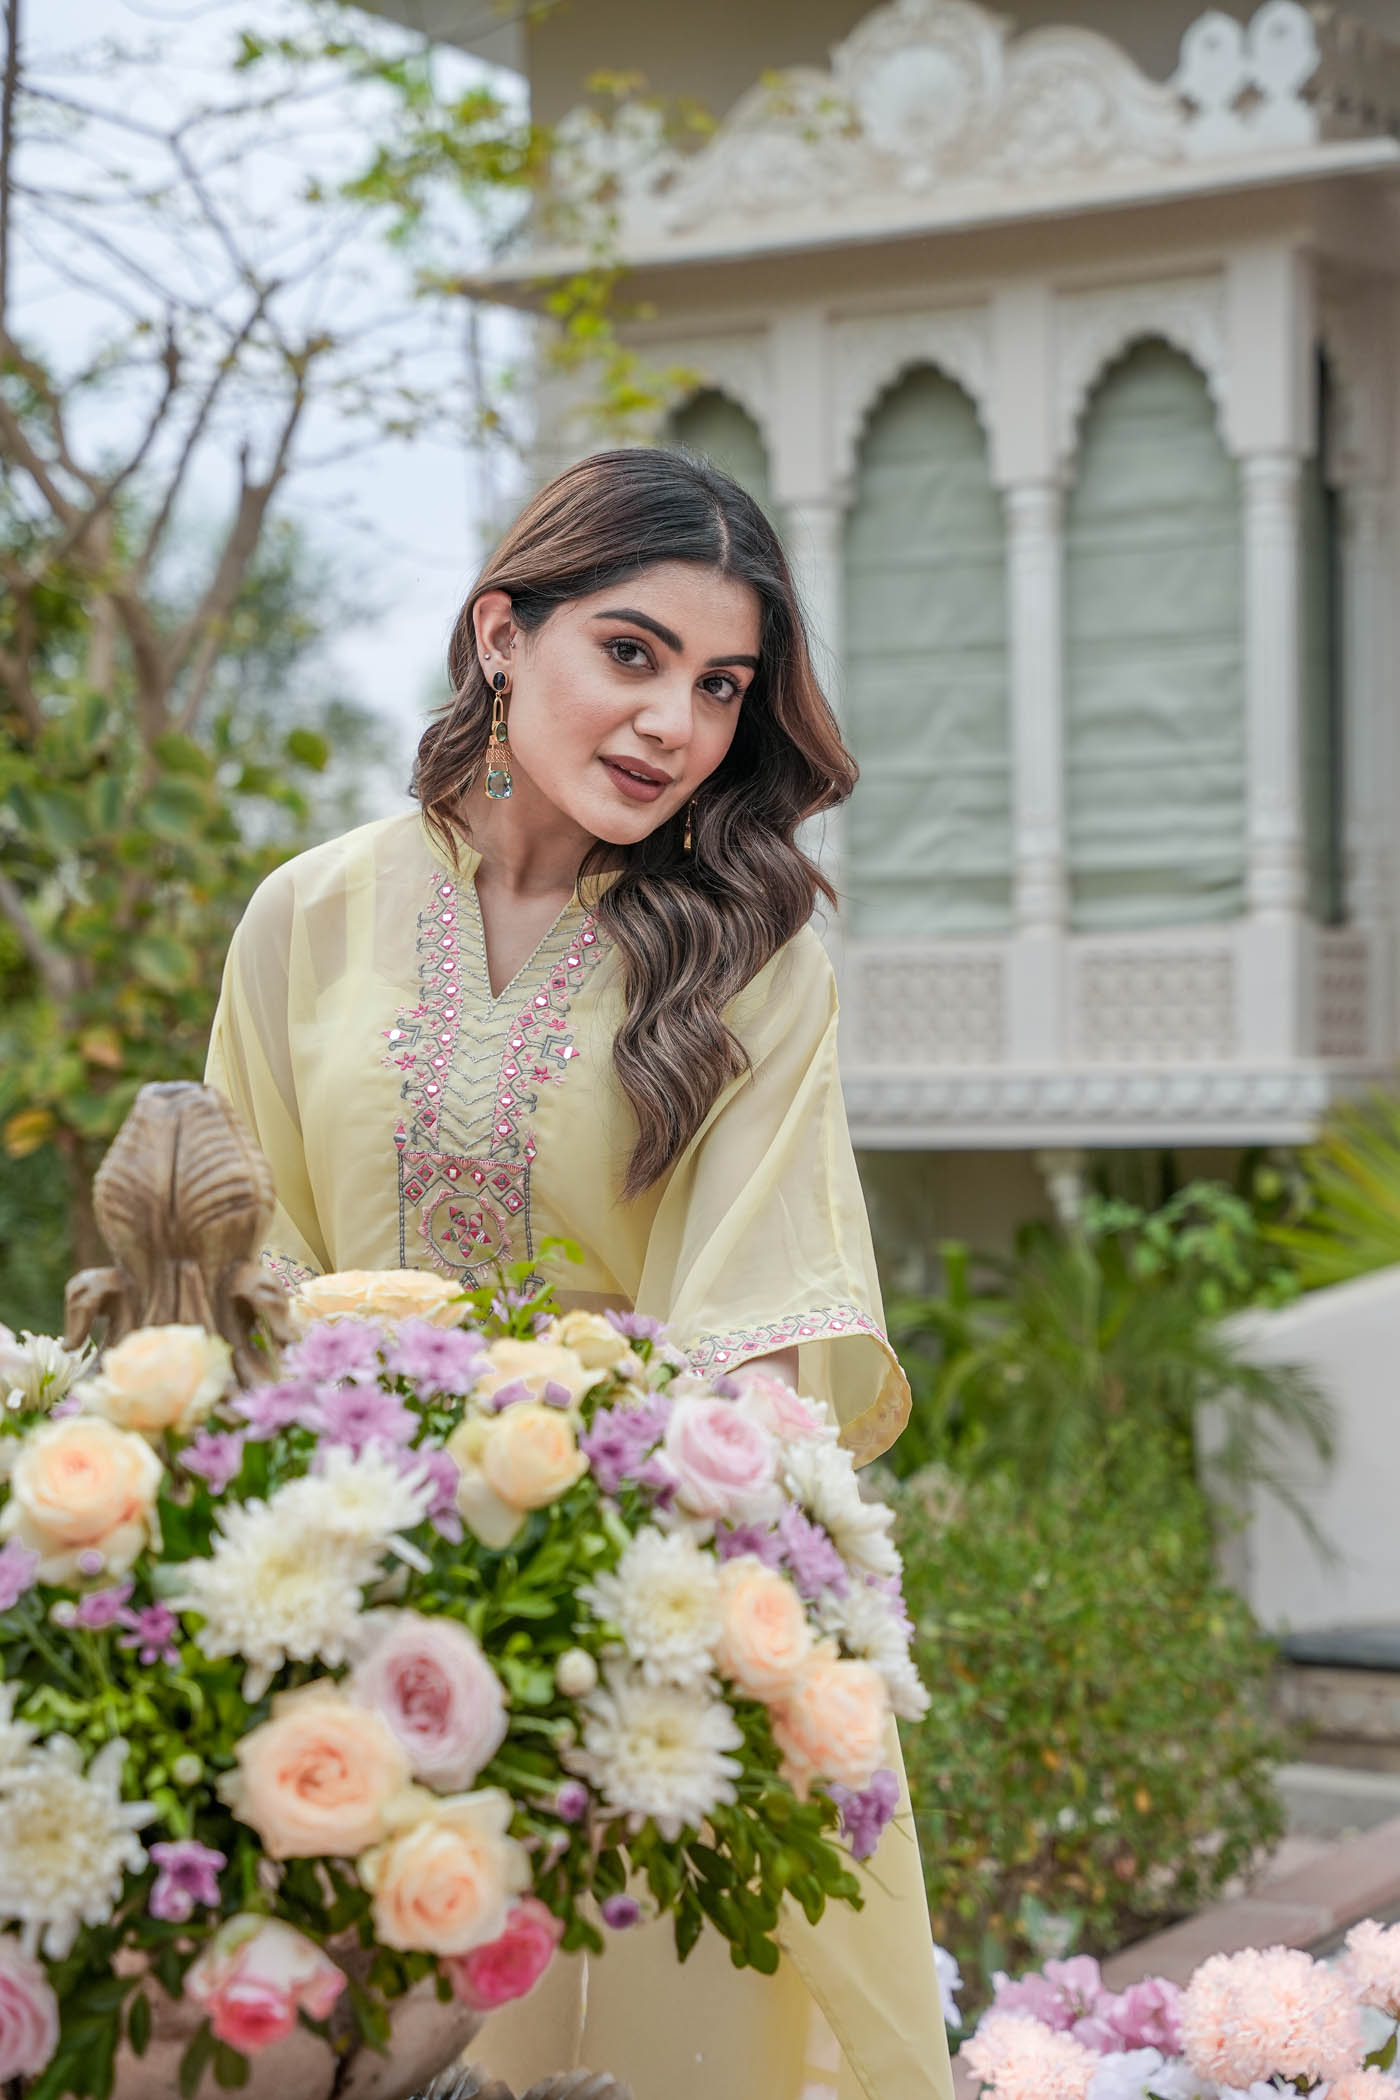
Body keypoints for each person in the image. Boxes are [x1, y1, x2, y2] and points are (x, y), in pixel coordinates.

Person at [205, 447, 954, 2100]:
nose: (674, 724)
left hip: (635, 1637)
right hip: (347, 1624)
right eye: (630, 652)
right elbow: (236, 1290)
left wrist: (655, 1605)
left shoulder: (750, 953)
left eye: (719, 685)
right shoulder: (305, 919)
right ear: (499, 635)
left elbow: (758, 1338)